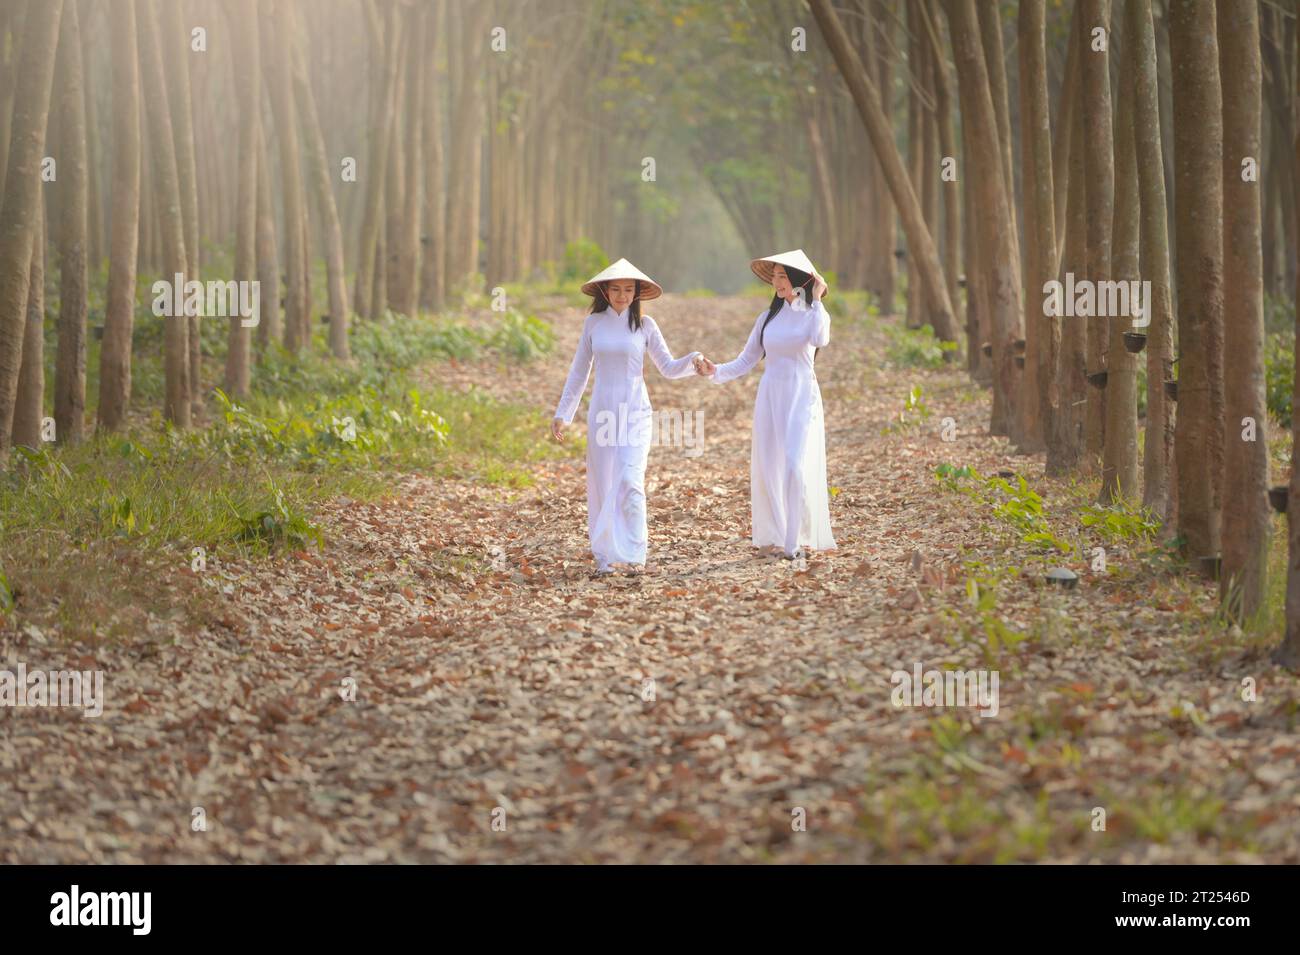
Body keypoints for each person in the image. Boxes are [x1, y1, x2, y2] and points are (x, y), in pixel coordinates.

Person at [552, 258, 702, 575]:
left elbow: (669, 367)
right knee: (603, 483)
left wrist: (694, 360)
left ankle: (636, 554)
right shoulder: (593, 324)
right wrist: (563, 413)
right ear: (605, 292)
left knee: (632, 481)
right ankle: (604, 555)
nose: (622, 296)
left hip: (636, 411)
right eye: (616, 289)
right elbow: (579, 373)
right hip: (603, 412)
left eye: (628, 290)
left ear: (637, 293)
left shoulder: (646, 327)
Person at [695, 249, 836, 560]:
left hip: (801, 394)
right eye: (774, 276)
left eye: (783, 276)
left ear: (800, 280)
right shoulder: (767, 318)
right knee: (770, 465)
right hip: (771, 393)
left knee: (794, 465)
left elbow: (821, 339)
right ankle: (777, 534)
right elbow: (747, 359)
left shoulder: (814, 315)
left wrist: (818, 297)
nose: (777, 281)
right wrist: (715, 370)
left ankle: (796, 540)